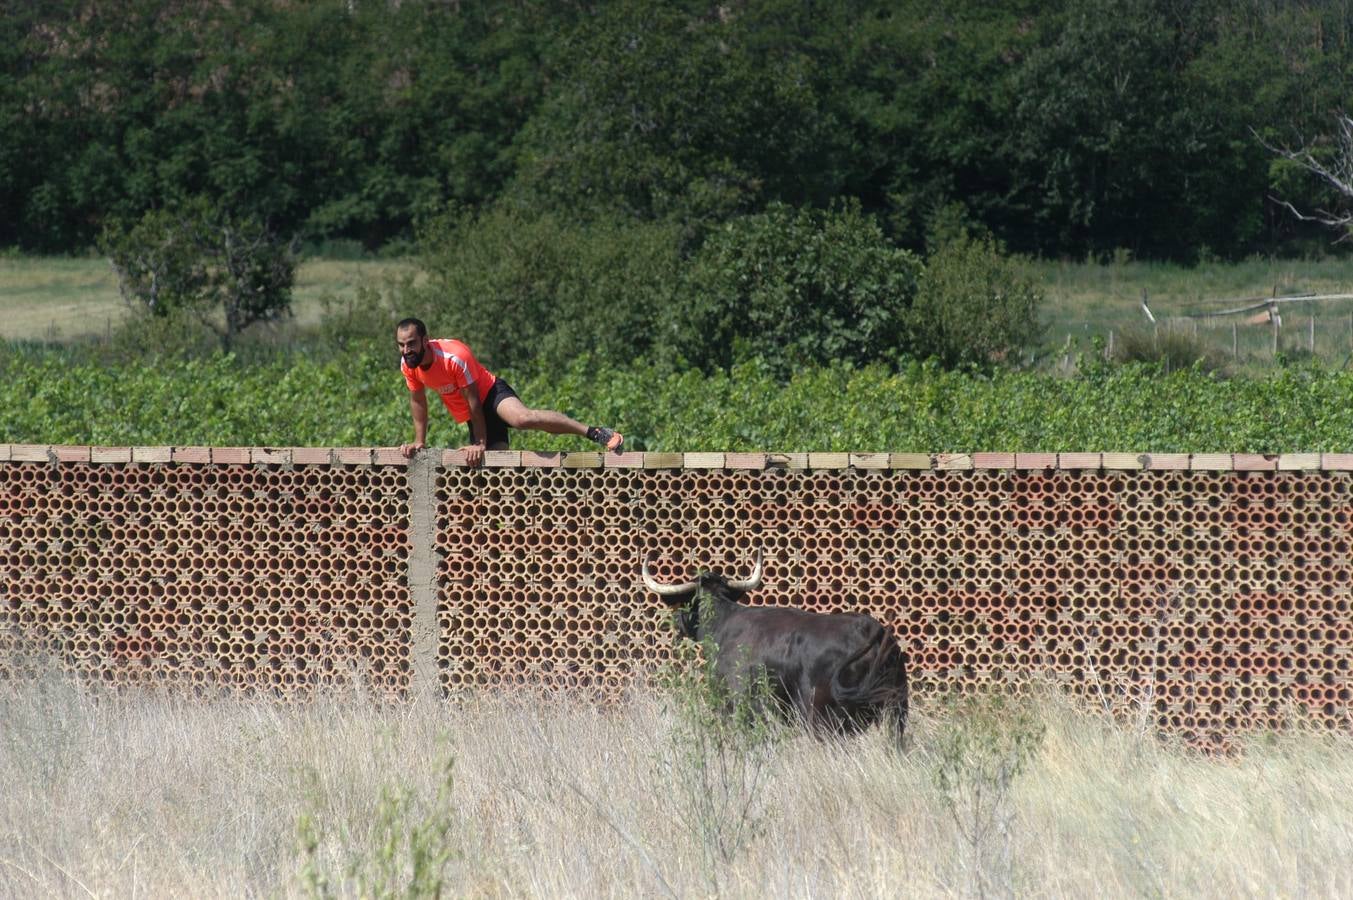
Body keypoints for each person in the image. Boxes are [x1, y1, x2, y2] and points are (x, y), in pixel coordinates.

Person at [395, 317, 623, 465]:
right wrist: (419, 441)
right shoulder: (408, 365)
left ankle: (593, 432)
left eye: (412, 343)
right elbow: (418, 402)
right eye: (401, 345)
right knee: (490, 468)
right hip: (473, 416)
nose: (407, 350)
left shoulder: (455, 356)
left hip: (491, 396)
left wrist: (480, 442)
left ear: (425, 340)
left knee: (523, 419)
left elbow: (474, 400)